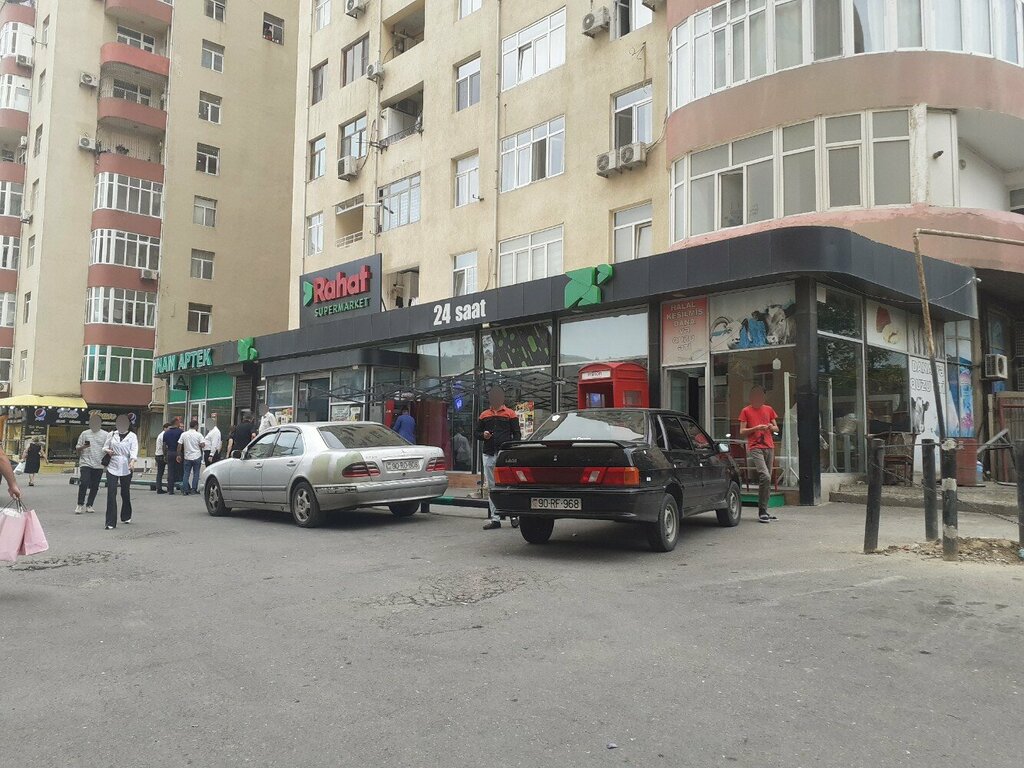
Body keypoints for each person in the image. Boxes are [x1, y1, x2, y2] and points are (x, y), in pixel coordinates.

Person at [476, 386, 521, 530]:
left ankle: (513, 515)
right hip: (488, 454)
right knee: (492, 486)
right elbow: (476, 433)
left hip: (504, 455)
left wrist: (511, 450)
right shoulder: (484, 415)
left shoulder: (510, 413)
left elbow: (517, 434)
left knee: (508, 485)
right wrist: (483, 435)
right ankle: (495, 519)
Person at [739, 385, 779, 523]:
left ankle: (764, 510)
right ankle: (762, 511)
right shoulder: (746, 411)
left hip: (769, 446)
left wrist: (770, 427)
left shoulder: (769, 409)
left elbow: (776, 428)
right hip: (755, 446)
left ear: (763, 397)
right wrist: (756, 428)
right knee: (765, 476)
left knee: (767, 480)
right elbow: (742, 431)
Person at [103, 415, 138, 529]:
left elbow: (134, 450)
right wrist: (108, 451)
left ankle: (126, 515)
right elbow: (104, 447)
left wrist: (132, 461)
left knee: (125, 491)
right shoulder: (112, 434)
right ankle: (110, 522)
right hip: (113, 463)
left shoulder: (132, 436)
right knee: (111, 492)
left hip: (126, 464)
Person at [74, 414, 109, 514]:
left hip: (98, 463)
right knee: (84, 482)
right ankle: (80, 504)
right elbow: (77, 448)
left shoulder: (106, 435)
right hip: (86, 462)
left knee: (95, 485)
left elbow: (108, 447)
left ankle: (89, 504)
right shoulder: (84, 433)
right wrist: (83, 447)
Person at [178, 419, 205, 496]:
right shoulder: (199, 435)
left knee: (186, 474)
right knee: (196, 474)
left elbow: (179, 445)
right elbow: (203, 445)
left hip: (187, 457)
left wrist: (178, 455)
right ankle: (194, 489)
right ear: (196, 426)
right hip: (197, 456)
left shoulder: (184, 434)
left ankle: (185, 490)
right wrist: (199, 445)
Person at [162, 417, 184, 496]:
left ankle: (170, 489)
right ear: (176, 422)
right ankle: (181, 487)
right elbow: (181, 444)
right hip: (178, 453)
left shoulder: (166, 433)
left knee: (170, 471)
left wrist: (165, 454)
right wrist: (180, 454)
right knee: (180, 471)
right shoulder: (181, 432)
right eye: (179, 422)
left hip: (170, 453)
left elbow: (164, 445)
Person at [154, 422, 170, 494]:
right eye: (168, 428)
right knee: (164, 472)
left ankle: (158, 487)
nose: (169, 430)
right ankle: (163, 487)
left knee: (160, 472)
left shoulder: (160, 434)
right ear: (165, 428)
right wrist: (165, 455)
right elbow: (164, 446)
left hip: (158, 454)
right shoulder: (163, 435)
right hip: (162, 455)